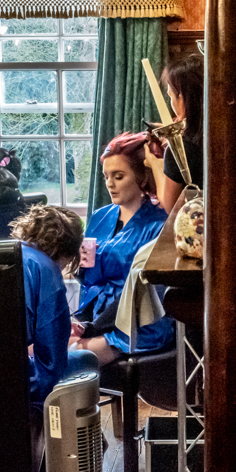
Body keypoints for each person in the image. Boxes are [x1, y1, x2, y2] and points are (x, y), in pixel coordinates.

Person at [70, 132, 173, 366]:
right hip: (94, 316)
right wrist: (76, 265)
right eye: (106, 176)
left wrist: (90, 328)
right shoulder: (99, 217)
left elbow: (144, 295)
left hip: (138, 325)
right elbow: (87, 278)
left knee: (65, 359)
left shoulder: (158, 225)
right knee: (34, 350)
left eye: (118, 176)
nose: (109, 184)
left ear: (141, 177)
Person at [9, 204, 98, 408]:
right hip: (17, 381)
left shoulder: (6, 255)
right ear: (70, 252)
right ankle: (62, 428)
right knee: (87, 360)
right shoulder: (47, 271)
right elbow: (51, 360)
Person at [143, 54, 204, 212]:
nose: (171, 103)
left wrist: (155, 164)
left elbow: (170, 206)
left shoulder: (181, 149)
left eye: (171, 96)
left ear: (182, 98)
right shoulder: (219, 135)